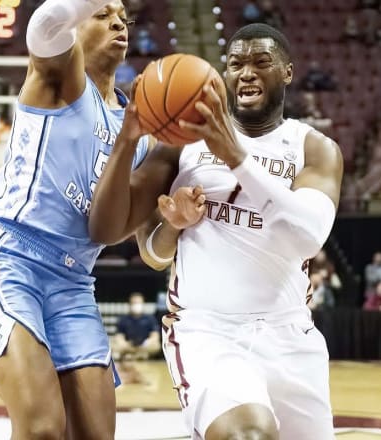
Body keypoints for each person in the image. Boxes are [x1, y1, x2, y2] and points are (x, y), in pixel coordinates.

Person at [90, 23, 343, 439]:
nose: (246, 72)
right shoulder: (181, 143)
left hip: (290, 335)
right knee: (248, 436)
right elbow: (124, 236)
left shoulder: (313, 148)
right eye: (235, 64)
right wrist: (128, 142)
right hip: (209, 332)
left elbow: (307, 237)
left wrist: (235, 156)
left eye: (261, 62)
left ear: (287, 73)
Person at [0, 1, 148, 439]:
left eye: (123, 16)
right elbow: (43, 24)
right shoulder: (62, 79)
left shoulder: (139, 127)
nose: (118, 21)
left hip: (75, 281)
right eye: (102, 13)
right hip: (9, 257)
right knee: (42, 428)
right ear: (75, 28)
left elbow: (136, 226)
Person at [112, 291, 160, 360]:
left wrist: (145, 344)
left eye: (139, 303)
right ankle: (137, 355)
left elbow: (155, 336)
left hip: (144, 346)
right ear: (130, 304)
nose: (136, 305)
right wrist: (124, 344)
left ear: (143, 303)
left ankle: (132, 355)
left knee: (156, 346)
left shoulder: (150, 319)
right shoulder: (123, 319)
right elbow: (119, 337)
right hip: (128, 345)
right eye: (134, 303)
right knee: (114, 346)